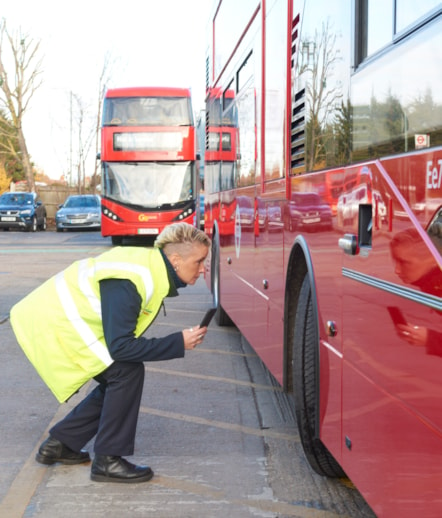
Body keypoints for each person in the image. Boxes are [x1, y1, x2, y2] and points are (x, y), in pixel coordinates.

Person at [10, 222, 211, 483]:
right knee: (126, 371)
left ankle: (60, 443)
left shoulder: (150, 268)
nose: (204, 268)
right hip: (54, 325)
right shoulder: (133, 279)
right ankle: (108, 459)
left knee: (118, 375)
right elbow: (121, 346)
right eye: (199, 261)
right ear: (175, 260)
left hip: (54, 320)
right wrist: (177, 342)